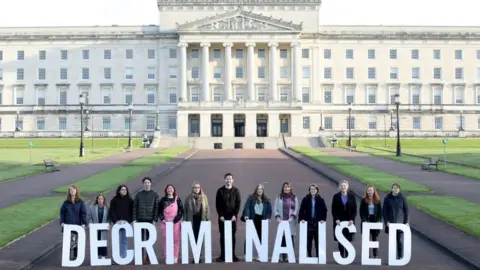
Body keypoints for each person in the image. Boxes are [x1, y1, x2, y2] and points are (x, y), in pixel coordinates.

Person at [241, 184, 272, 260]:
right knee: (249, 237)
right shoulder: (251, 198)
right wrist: (246, 216)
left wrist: (268, 218)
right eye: (258, 189)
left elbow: (269, 211)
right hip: (253, 219)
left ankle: (260, 254)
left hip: (262, 219)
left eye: (261, 189)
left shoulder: (266, 200)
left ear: (263, 191)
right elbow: (247, 207)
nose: (260, 190)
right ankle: (246, 254)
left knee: (261, 237)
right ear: (256, 190)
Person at [215, 173, 241, 262]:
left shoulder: (236, 191)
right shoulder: (220, 191)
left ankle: (232, 255)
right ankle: (223, 255)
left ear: (232, 180)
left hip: (232, 217)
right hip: (222, 217)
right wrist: (220, 215)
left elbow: (238, 204)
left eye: (230, 179)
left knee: (232, 236)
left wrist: (235, 215)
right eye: (227, 179)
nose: (229, 180)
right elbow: (217, 205)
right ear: (224, 180)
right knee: (223, 236)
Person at [133, 177, 159, 265]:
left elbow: (156, 208)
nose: (147, 184)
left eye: (148, 182)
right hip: (140, 220)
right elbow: (134, 208)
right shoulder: (138, 195)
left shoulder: (155, 194)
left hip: (150, 221)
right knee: (140, 240)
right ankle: (140, 256)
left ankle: (148, 256)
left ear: (150, 184)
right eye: (145, 182)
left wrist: (155, 219)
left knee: (149, 239)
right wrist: (134, 219)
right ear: (143, 184)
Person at [298, 184, 328, 257]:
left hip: (318, 223)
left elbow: (324, 210)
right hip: (309, 223)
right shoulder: (305, 199)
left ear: (317, 190)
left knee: (318, 241)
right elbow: (301, 209)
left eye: (314, 189)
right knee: (309, 240)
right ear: (309, 190)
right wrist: (301, 219)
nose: (313, 190)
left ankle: (318, 256)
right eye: (311, 189)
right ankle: (309, 255)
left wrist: (323, 219)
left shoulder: (321, 199)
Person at [184, 182, 210, 263]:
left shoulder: (204, 197)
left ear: (200, 188)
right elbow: (185, 210)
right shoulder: (188, 198)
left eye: (198, 187)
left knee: (200, 238)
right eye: (195, 187)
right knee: (193, 238)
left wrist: (207, 219)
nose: (196, 189)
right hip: (192, 221)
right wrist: (185, 220)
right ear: (192, 188)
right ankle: (195, 256)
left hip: (201, 220)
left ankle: (199, 256)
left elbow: (207, 209)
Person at [60, 184, 87, 260]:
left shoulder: (80, 202)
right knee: (67, 242)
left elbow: (83, 213)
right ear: (69, 191)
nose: (72, 191)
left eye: (73, 190)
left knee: (77, 241)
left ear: (76, 191)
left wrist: (83, 223)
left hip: (77, 225)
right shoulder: (66, 203)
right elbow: (62, 212)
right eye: (71, 190)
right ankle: (67, 257)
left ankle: (76, 257)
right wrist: (62, 222)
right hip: (67, 225)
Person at [273, 181, 299, 263]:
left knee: (290, 238)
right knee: (281, 238)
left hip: (290, 221)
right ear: (283, 188)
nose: (286, 189)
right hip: (281, 221)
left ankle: (288, 255)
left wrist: (292, 217)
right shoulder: (279, 197)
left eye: (288, 187)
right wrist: (277, 217)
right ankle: (281, 255)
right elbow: (275, 208)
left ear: (290, 188)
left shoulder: (294, 197)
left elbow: (296, 208)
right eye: (285, 187)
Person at [331, 180, 357, 259]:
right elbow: (333, 209)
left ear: (347, 187)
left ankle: (348, 254)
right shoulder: (336, 196)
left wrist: (352, 219)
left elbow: (354, 209)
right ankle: (342, 254)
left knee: (348, 237)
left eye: (344, 186)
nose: (343, 187)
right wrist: (336, 219)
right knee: (340, 238)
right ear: (339, 187)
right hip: (339, 220)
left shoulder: (352, 196)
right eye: (341, 186)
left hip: (349, 220)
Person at [383, 183, 409, 260]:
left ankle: (400, 256)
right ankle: (392, 257)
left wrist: (406, 221)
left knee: (400, 241)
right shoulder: (387, 198)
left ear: (399, 189)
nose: (395, 189)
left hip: (400, 224)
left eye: (397, 188)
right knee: (392, 242)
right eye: (394, 188)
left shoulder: (402, 198)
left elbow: (406, 211)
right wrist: (386, 221)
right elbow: (384, 211)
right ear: (392, 189)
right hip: (391, 223)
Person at [158, 184, 183, 264]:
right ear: (166, 190)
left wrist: (176, 219)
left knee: (176, 240)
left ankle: (175, 256)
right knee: (166, 240)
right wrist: (163, 219)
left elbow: (181, 210)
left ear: (173, 190)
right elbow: (160, 211)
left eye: (171, 188)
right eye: (168, 188)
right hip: (165, 223)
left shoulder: (177, 199)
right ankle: (168, 256)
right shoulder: (163, 200)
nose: (170, 190)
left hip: (176, 222)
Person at [109, 184, 134, 259]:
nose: (124, 191)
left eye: (125, 190)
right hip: (117, 223)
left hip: (126, 224)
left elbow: (133, 212)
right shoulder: (114, 200)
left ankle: (123, 255)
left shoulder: (130, 200)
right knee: (116, 240)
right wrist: (116, 221)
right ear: (119, 191)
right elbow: (112, 211)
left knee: (124, 240)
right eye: (122, 189)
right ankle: (116, 256)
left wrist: (128, 221)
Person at [359, 185, 382, 259]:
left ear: (374, 191)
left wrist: (379, 220)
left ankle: (375, 255)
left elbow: (380, 212)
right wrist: (364, 220)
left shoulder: (378, 200)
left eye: (371, 190)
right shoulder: (363, 200)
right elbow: (361, 211)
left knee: (375, 238)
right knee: (366, 239)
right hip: (366, 220)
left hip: (375, 221)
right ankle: (366, 255)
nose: (369, 192)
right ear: (366, 191)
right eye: (368, 190)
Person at [88, 194, 110, 259]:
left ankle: (103, 255)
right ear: (97, 200)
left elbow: (109, 218)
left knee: (103, 240)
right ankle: (97, 255)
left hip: (103, 228)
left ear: (104, 200)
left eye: (102, 199)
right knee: (96, 240)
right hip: (95, 228)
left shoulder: (107, 208)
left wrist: (108, 223)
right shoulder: (92, 208)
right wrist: (90, 223)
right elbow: (89, 217)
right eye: (99, 199)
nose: (100, 200)